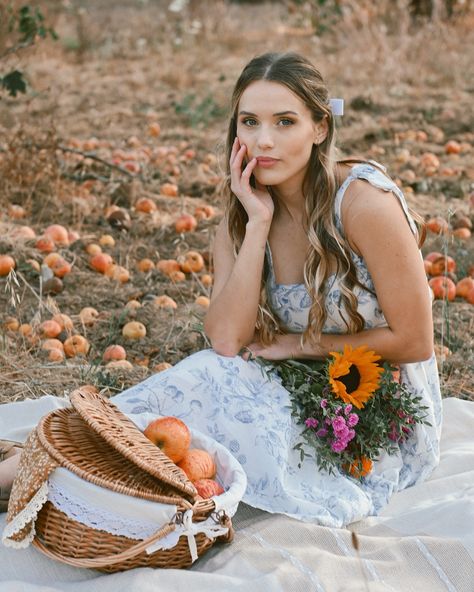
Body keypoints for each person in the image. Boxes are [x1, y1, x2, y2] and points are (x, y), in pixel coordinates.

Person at [0, 51, 442, 527]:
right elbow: (228, 340)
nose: (263, 140)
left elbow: (414, 341)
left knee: (216, 405)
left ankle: (42, 469)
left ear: (320, 128)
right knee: (201, 380)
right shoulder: (243, 212)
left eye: (285, 122)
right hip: (283, 374)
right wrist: (257, 224)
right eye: (249, 122)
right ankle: (46, 461)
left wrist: (301, 344)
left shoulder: (362, 203)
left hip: (367, 402)